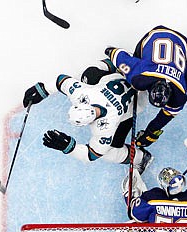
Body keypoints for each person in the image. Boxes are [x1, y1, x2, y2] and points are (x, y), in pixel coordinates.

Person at [104, 25, 187, 148]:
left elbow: (165, 116)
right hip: (152, 37)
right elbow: (119, 58)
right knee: (131, 75)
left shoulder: (179, 94)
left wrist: (151, 131)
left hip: (181, 43)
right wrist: (111, 52)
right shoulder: (138, 78)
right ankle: (141, 59)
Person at [21, 60, 153, 174]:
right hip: (126, 83)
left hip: (136, 104)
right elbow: (61, 81)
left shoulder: (105, 129)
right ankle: (116, 63)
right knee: (88, 74)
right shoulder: (82, 93)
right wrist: (42, 90)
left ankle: (141, 158)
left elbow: (91, 155)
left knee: (109, 153)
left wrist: (68, 147)